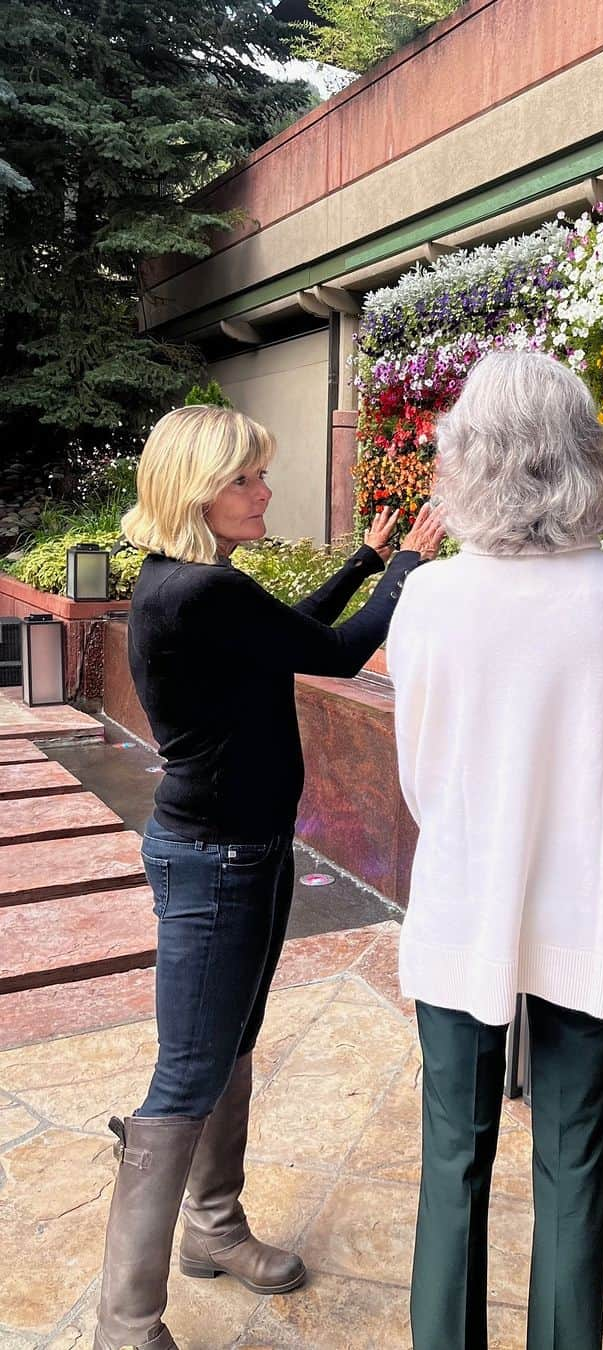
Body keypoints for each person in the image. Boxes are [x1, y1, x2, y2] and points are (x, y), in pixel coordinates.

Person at [93, 404, 444, 1350]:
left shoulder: (193, 586)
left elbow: (282, 634)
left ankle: (212, 1228)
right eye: (246, 478)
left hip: (242, 849)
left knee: (231, 1042)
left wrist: (367, 564)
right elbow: (329, 654)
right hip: (214, 860)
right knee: (186, 1073)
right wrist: (407, 568)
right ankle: (125, 1324)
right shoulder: (196, 592)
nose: (263, 492)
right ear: (198, 489)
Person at [387, 350, 603, 1350]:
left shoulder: (430, 598)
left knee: (452, 1161)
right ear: (581, 454)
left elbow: (420, 776)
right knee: (573, 1158)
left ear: (468, 456)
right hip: (588, 900)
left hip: (465, 896)